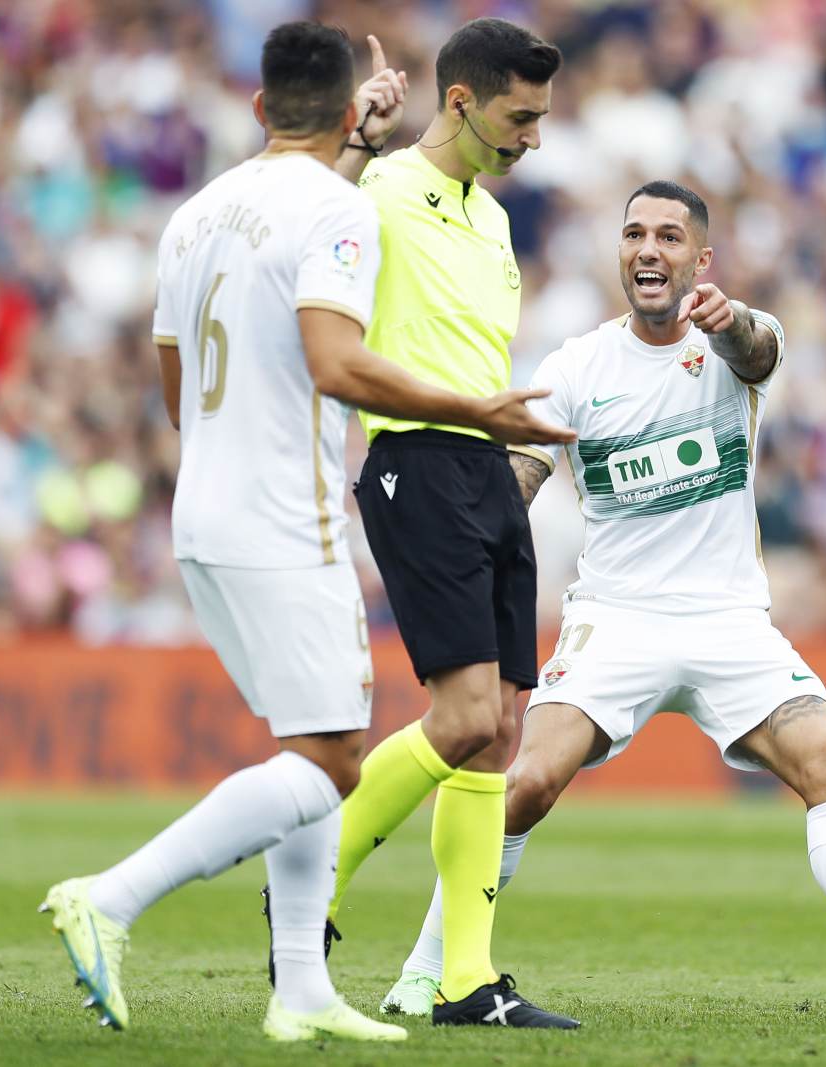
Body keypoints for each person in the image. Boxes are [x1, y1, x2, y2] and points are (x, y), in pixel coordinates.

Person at [39, 22, 572, 1042]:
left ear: (258, 106)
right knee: (348, 755)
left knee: (453, 728)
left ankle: (355, 984)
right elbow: (331, 342)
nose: (533, 138)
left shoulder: (199, 215)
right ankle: (122, 896)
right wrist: (479, 410)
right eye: (522, 117)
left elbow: (175, 389)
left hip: (275, 486)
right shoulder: (361, 197)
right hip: (353, 481)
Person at [373, 180, 826, 1027]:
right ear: (620, 252)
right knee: (527, 781)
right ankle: (426, 968)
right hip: (616, 617)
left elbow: (759, 348)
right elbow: (515, 488)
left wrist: (731, 321)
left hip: (729, 621)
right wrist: (458, 540)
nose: (648, 249)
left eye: (668, 236)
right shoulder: (576, 367)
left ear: (700, 258)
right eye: (634, 234)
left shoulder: (737, 343)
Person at [318, 17, 578, 1029]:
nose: (534, 138)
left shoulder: (494, 221)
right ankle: (310, 875)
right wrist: (358, 139)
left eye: (542, 118)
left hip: (489, 470)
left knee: (498, 730)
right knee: (465, 716)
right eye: (520, 116)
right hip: (416, 460)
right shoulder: (381, 188)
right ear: (460, 101)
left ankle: (467, 980)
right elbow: (302, 236)